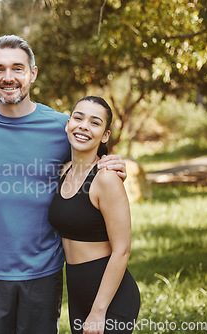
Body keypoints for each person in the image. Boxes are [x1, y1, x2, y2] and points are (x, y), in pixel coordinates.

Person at [0, 35, 127, 333]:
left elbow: (93, 160)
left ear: (32, 73)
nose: (9, 77)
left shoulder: (62, 126)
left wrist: (114, 164)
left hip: (44, 272)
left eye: (17, 68)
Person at [48, 96, 140, 334]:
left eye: (95, 122)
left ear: (105, 135)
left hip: (109, 297)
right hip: (78, 293)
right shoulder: (63, 170)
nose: (84, 126)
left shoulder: (106, 178)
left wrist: (99, 310)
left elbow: (122, 250)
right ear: (68, 124)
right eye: (78, 118)